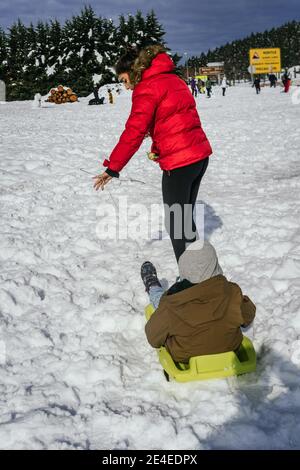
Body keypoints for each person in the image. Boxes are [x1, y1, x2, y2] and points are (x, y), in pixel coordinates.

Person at [93, 44, 212, 262]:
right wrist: (156, 136)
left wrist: (113, 167)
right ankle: (200, 271)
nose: (126, 86)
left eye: (124, 80)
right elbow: (176, 114)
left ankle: (190, 280)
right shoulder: (172, 78)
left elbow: (133, 132)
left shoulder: (146, 87)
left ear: (134, 71)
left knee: (177, 223)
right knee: (184, 220)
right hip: (199, 156)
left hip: (180, 162)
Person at [141, 240, 256, 363]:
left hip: (186, 357)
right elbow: (248, 315)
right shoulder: (232, 292)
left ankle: (153, 286)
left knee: (160, 301)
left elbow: (152, 336)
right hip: (229, 347)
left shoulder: (172, 303)